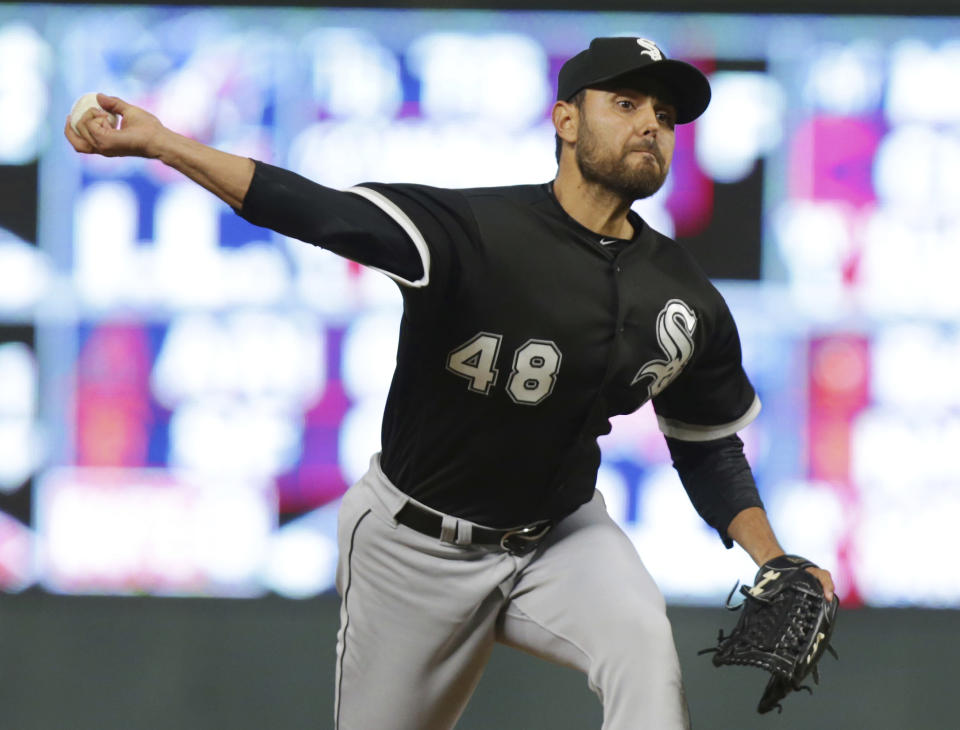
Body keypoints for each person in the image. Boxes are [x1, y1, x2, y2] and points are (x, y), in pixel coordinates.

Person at [66, 36, 835, 730]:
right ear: (565, 120)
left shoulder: (685, 295)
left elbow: (706, 447)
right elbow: (317, 212)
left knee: (647, 662)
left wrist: (772, 559)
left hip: (559, 538)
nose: (650, 126)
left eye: (665, 114)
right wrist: (163, 143)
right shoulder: (474, 233)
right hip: (415, 547)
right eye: (626, 103)